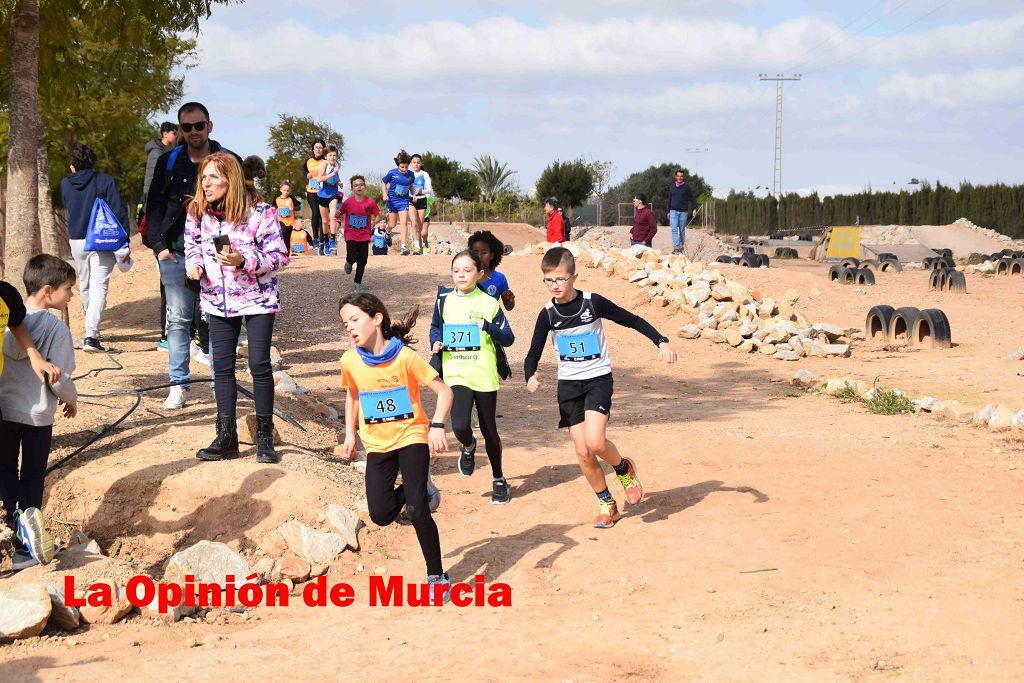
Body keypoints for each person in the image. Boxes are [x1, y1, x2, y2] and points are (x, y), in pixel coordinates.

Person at [523, 247, 677, 528]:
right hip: (569, 386)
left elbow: (631, 320)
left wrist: (661, 340)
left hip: (597, 379)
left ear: (574, 277)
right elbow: (533, 352)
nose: (555, 286)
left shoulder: (592, 303)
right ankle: (607, 504)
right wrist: (529, 374)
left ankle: (623, 468)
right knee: (582, 452)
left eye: (560, 279)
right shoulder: (547, 314)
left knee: (595, 442)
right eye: (549, 280)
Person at [338, 292, 453, 603]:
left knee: (416, 509)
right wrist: (349, 435)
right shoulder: (349, 360)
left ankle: (436, 575)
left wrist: (438, 425)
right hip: (376, 443)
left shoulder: (404, 357)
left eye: (355, 319)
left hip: (411, 435)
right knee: (381, 514)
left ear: (376, 319)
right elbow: (353, 396)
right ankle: (422, 488)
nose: (350, 327)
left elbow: (444, 391)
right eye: (345, 323)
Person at [185, 153, 289, 464]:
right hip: (217, 301)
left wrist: (244, 261)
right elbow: (192, 246)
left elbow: (280, 256)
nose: (206, 184)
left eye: (213, 177)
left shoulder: (260, 212)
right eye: (203, 177)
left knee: (259, 364)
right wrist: (195, 265)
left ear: (231, 179)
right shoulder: (197, 213)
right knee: (222, 368)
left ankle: (264, 438)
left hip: (257, 299)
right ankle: (226, 437)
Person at [147, 101, 242, 410]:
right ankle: (178, 385)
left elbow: (243, 206)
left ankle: (221, 384)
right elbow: (154, 205)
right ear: (179, 130)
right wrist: (159, 247)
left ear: (209, 126)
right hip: (175, 251)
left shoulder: (229, 160)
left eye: (198, 126)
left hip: (218, 251)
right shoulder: (169, 161)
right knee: (177, 319)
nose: (192, 132)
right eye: (185, 128)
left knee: (219, 318)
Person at [0, 255, 79, 569]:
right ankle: (27, 549)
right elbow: (58, 377)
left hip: (4, 411)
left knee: (5, 471)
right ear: (48, 291)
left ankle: (19, 529)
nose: (71, 296)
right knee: (32, 476)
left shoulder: (8, 321)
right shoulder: (55, 330)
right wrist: (71, 400)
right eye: (68, 289)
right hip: (37, 417)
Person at [429, 251, 515, 504]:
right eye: (456, 270)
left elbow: (508, 338)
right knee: (460, 426)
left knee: (490, 430)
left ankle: (499, 478)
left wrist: (487, 326)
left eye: (467, 270)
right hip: (456, 372)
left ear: (480, 274)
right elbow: (436, 326)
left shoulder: (488, 303)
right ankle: (468, 446)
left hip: (484, 374)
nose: (461, 275)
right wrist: (435, 340)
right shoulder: (443, 300)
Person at [60, 143, 129, 353]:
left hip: (77, 240)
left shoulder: (65, 183)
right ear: (93, 162)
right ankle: (91, 335)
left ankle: (91, 330)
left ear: (73, 166)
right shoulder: (104, 180)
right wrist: (124, 241)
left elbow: (66, 204)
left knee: (85, 284)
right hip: (101, 240)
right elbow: (118, 210)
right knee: (99, 286)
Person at [143, 122, 179, 353]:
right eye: (175, 131)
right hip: (162, 224)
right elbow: (153, 192)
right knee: (169, 285)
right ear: (166, 134)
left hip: (162, 223)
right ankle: (167, 335)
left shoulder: (160, 153)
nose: (177, 136)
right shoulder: (161, 155)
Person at [337, 175, 380, 293]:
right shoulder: (348, 202)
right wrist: (336, 214)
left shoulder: (370, 202)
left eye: (361, 184)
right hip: (350, 233)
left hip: (364, 234)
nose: (359, 187)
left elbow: (378, 214)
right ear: (352, 189)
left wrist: (375, 222)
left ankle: (357, 282)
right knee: (352, 255)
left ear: (364, 187)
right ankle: (349, 262)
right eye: (356, 185)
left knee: (363, 260)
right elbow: (340, 213)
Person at [469, 230, 516, 311]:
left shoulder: (499, 278)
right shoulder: (466, 276)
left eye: (484, 252)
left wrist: (510, 301)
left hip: (492, 321)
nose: (479, 256)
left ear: (492, 255)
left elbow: (508, 307)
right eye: (475, 252)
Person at [381, 150, 416, 256]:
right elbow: (383, 182)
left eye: (406, 167)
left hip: (403, 201)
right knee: (392, 224)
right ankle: (387, 232)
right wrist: (384, 193)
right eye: (402, 167)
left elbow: (410, 185)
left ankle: (403, 247)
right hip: (392, 201)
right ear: (398, 165)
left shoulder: (411, 175)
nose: (404, 169)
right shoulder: (392, 173)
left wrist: (413, 194)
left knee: (404, 222)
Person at [314, 145, 342, 255]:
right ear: (325, 156)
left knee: (333, 214)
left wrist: (339, 182)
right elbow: (319, 179)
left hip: (333, 193)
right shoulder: (324, 164)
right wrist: (332, 174)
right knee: (325, 221)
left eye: (334, 155)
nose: (332, 157)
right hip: (322, 195)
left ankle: (332, 240)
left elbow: (336, 176)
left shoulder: (336, 165)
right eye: (330, 155)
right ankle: (325, 240)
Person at [303, 140, 327, 253]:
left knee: (323, 215)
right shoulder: (308, 161)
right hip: (311, 191)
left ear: (323, 150)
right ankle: (316, 238)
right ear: (313, 149)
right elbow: (305, 173)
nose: (318, 149)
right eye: (316, 147)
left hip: (323, 191)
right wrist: (307, 175)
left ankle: (322, 240)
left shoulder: (326, 161)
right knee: (315, 213)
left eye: (320, 147)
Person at [668, 169, 698, 254]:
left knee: (681, 230)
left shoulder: (686, 187)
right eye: (678, 176)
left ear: (683, 177)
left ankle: (681, 248)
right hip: (673, 210)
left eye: (681, 176)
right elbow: (669, 199)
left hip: (683, 212)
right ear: (675, 177)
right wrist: (668, 211)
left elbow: (692, 198)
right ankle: (676, 248)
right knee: (674, 229)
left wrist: (694, 209)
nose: (679, 178)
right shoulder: (672, 186)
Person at [409, 154, 433, 254]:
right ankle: (416, 246)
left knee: (419, 226)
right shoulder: (408, 174)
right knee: (413, 224)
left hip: (422, 201)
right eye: (414, 162)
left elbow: (429, 190)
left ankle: (423, 243)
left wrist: (421, 190)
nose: (416, 164)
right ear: (411, 163)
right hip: (411, 200)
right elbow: (406, 187)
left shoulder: (425, 174)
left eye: (418, 162)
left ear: (421, 163)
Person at [275, 181, 300, 250]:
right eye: (284, 190)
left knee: (288, 238)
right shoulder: (277, 199)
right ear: (281, 190)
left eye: (288, 191)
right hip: (281, 220)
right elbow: (274, 208)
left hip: (290, 222)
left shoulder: (291, 198)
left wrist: (293, 208)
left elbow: (298, 207)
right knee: (283, 232)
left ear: (290, 191)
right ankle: (281, 250)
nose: (286, 192)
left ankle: (287, 254)